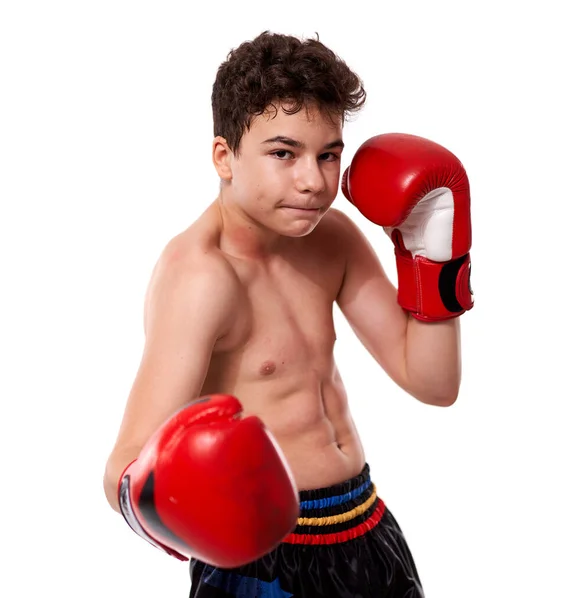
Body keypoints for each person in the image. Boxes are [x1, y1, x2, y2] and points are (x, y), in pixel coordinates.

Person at [103, 30, 473, 598]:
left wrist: (434, 258)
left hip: (366, 526)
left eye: (328, 155)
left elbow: (433, 382)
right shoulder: (201, 277)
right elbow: (124, 470)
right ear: (224, 156)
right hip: (264, 563)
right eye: (284, 153)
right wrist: (184, 511)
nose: (313, 181)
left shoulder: (333, 239)